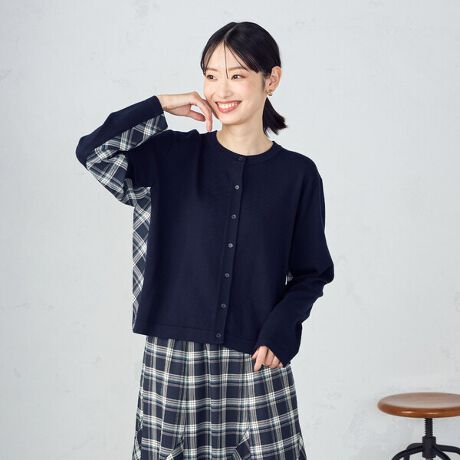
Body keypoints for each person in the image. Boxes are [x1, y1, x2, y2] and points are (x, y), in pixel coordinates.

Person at [75, 21, 334, 460]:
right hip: (175, 359)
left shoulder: (298, 175)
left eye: (237, 75)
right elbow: (93, 153)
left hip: (256, 356)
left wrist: (282, 329)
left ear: (271, 80)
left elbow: (312, 272)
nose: (221, 89)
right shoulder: (172, 156)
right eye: (211, 75)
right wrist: (160, 105)